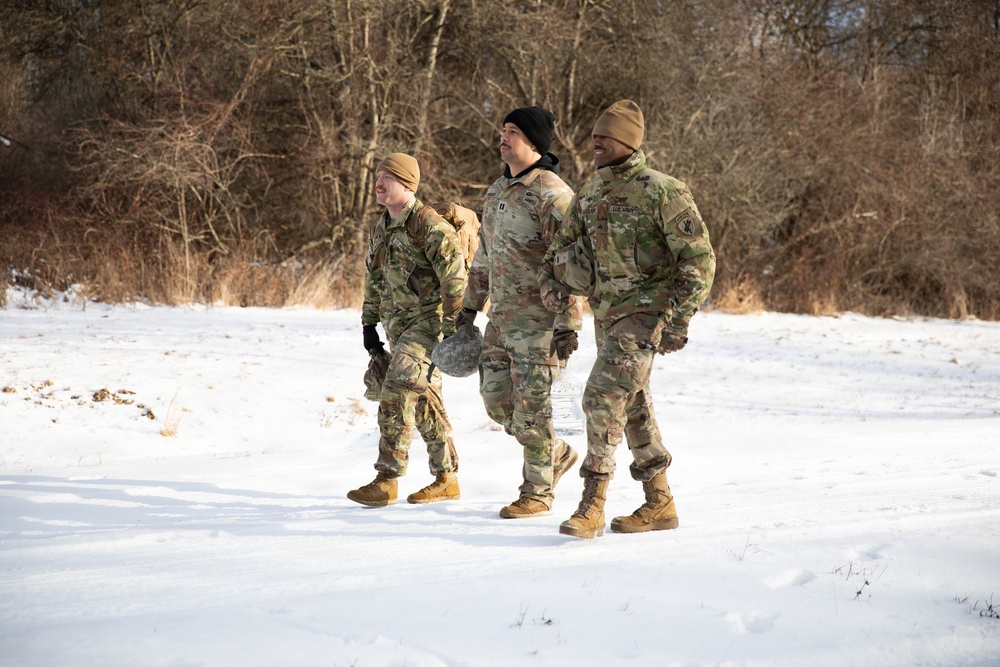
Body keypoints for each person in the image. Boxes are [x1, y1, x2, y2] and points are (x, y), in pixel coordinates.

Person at [539, 100, 716, 538]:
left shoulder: (663, 191)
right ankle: (660, 501)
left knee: (601, 397)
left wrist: (678, 319)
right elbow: (559, 253)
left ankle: (592, 504)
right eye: (595, 135)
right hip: (607, 316)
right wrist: (562, 310)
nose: (595, 141)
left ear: (628, 141)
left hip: (646, 316)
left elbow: (699, 259)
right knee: (631, 405)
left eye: (606, 135)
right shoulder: (589, 193)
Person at [456, 106, 583, 519]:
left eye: (513, 131)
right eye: (503, 130)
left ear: (534, 142)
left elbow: (570, 264)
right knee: (495, 400)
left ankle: (538, 492)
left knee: (533, 409)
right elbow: (485, 256)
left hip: (540, 324)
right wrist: (469, 307)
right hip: (501, 319)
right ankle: (556, 453)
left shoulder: (553, 194)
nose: (503, 137)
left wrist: (568, 323)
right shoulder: (497, 191)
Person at [348, 153, 467, 507]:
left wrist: (454, 332)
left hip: (429, 325)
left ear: (407, 184)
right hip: (397, 327)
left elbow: (455, 279)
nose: (378, 183)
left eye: (386, 177)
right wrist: (369, 323)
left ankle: (387, 479)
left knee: (397, 389)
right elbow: (373, 277)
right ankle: (447, 479)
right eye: (377, 176)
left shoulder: (429, 225)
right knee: (425, 401)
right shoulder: (382, 226)